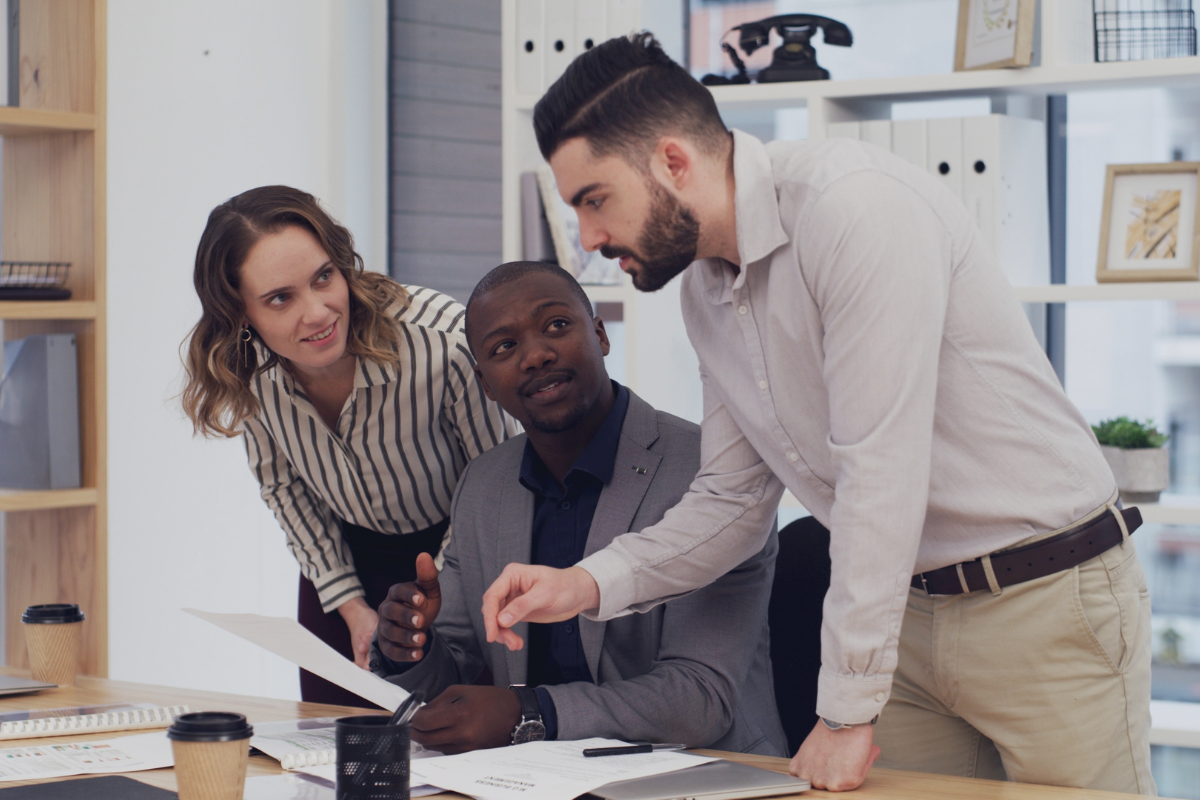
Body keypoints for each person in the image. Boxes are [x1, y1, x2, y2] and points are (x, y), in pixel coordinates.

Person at [478, 34, 1154, 794]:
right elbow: (733, 500)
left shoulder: (854, 210)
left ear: (672, 162)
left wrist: (843, 714)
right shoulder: (706, 291)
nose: (589, 239)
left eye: (593, 200)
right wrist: (584, 584)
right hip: (904, 614)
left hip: (1044, 601)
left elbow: (880, 471)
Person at [368, 261, 787, 757]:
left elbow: (699, 700)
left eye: (556, 326)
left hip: (705, 772)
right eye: (505, 347)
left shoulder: (714, 476)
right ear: (484, 382)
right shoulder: (483, 486)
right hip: (535, 780)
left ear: (600, 335)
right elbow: (449, 672)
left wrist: (531, 714)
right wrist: (409, 647)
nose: (536, 355)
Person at [181, 185, 518, 705]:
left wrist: (436, 600)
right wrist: (351, 606)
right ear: (240, 313)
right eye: (280, 298)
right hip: (344, 564)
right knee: (335, 746)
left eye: (323, 278)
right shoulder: (247, 369)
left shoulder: (442, 340)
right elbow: (284, 486)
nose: (317, 313)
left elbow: (493, 485)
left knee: (450, 741)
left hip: (458, 555)